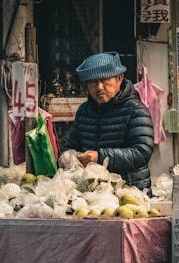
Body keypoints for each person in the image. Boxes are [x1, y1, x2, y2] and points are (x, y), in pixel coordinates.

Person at [63, 51, 154, 192]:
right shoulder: (84, 111)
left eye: (105, 79)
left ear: (119, 78)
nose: (99, 87)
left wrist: (101, 157)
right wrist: (70, 157)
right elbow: (72, 145)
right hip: (94, 192)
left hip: (130, 191)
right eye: (92, 82)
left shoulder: (136, 110)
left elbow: (142, 152)